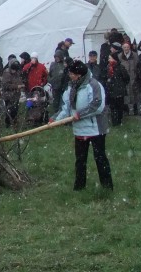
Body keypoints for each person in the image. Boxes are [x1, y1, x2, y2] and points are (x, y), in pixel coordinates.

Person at [50, 60, 112, 191]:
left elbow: (97, 105)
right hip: (79, 130)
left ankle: (107, 187)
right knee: (80, 160)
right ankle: (79, 188)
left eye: (72, 73)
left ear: (79, 74)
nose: (70, 75)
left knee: (100, 159)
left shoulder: (94, 85)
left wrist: (80, 114)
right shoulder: (71, 87)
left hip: (96, 129)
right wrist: (55, 119)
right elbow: (66, 107)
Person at [104, 52, 130, 126]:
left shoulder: (120, 67)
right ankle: (115, 122)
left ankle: (119, 120)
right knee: (113, 107)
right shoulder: (108, 67)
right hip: (111, 90)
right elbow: (107, 77)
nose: (109, 60)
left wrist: (121, 85)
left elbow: (126, 78)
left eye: (110, 58)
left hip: (119, 90)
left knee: (119, 106)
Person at [119, 42, 140, 115]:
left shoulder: (134, 55)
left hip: (133, 77)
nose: (126, 49)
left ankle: (135, 109)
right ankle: (127, 110)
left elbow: (137, 65)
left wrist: (136, 75)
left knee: (135, 94)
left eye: (127, 47)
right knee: (126, 94)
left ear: (129, 48)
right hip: (125, 78)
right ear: (122, 48)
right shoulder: (120, 56)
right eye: (124, 47)